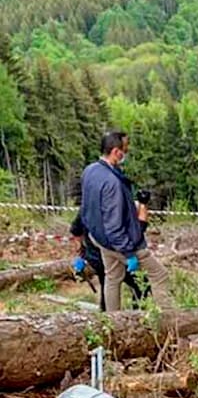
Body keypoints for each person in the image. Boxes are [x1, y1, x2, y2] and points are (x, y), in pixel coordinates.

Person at [79, 131, 170, 311]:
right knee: (159, 274)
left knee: (113, 278)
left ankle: (113, 320)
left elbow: (87, 208)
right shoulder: (112, 183)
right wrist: (129, 253)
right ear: (115, 151)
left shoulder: (90, 171)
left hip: (100, 239)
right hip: (118, 242)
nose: (126, 154)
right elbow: (114, 225)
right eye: (125, 150)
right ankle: (170, 318)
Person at [70, 189, 150, 311]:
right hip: (117, 254)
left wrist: (81, 252)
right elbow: (139, 228)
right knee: (141, 284)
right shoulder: (117, 209)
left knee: (107, 285)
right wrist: (143, 204)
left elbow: (76, 231)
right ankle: (137, 315)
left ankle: (107, 315)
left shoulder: (87, 208)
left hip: (96, 257)